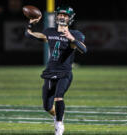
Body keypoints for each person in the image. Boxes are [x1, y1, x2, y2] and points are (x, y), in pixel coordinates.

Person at [25, 6, 87, 135]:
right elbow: (29, 35)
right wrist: (30, 24)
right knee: (47, 106)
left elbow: (84, 49)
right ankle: (57, 116)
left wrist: (72, 39)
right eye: (60, 14)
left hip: (64, 72)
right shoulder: (50, 31)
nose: (62, 17)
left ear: (70, 18)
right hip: (50, 71)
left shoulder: (76, 34)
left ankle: (59, 125)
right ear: (56, 16)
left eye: (65, 15)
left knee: (59, 97)